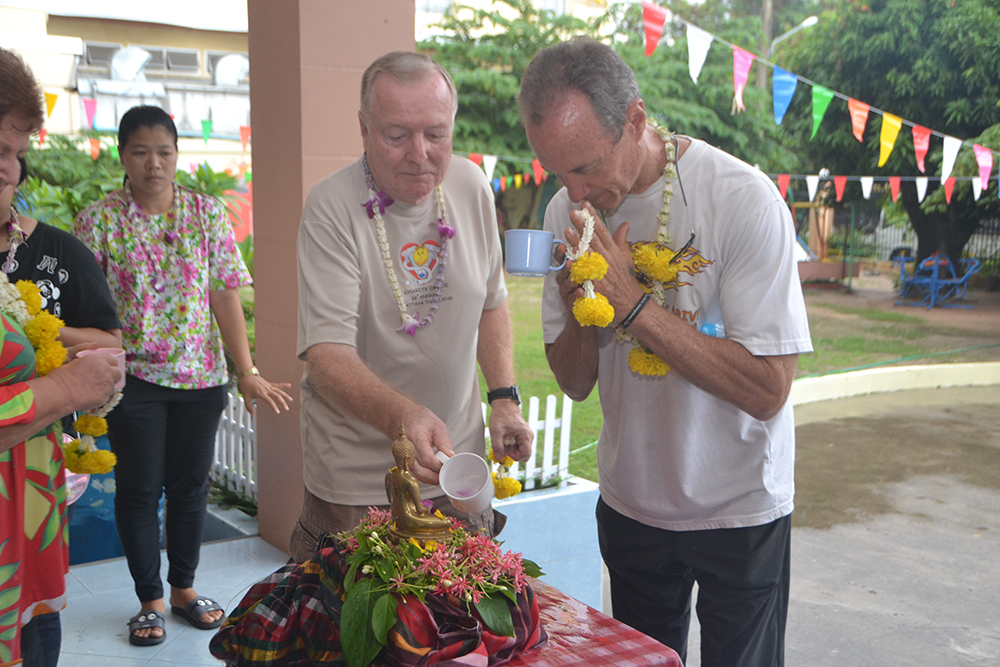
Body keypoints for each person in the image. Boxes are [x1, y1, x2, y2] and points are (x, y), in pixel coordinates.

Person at [519, 38, 813, 667]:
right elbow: (574, 383)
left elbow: (768, 390)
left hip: (740, 510)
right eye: (557, 172)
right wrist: (580, 310)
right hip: (632, 505)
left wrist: (631, 306)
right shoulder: (563, 213)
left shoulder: (743, 199)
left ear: (634, 120)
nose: (574, 191)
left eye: (587, 167)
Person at [290, 51, 534, 563]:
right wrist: (403, 416)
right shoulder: (331, 207)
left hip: (458, 470)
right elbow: (325, 353)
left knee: (463, 631)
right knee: (358, 636)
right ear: (363, 129)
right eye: (396, 135)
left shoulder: (469, 186)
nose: (419, 153)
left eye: (436, 134)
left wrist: (504, 399)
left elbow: (491, 302)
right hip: (359, 486)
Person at [74, 105, 293, 647]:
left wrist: (247, 371)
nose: (154, 164)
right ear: (122, 156)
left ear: (178, 155)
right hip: (134, 379)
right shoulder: (97, 221)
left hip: (201, 378)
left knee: (191, 489)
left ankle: (184, 591)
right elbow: (88, 308)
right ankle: (148, 599)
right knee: (140, 489)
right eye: (141, 152)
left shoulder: (206, 214)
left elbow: (224, 294)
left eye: (165, 152)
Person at [0, 44, 123, 667]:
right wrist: (67, 390)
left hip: (33, 515)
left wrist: (58, 347)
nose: (8, 171)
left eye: (15, 155)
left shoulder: (57, 251)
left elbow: (106, 338)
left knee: (40, 635)